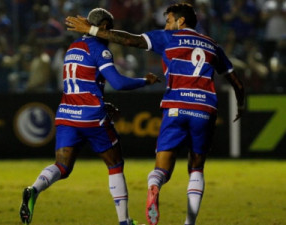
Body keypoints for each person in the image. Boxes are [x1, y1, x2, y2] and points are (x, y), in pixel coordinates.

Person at [65, 3, 245, 225]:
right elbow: (235, 81)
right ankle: (189, 223)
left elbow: (130, 40)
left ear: (180, 21)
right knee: (196, 167)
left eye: (169, 20)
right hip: (205, 108)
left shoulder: (169, 38)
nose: (166, 24)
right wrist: (241, 102)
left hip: (176, 106)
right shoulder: (212, 45)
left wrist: (92, 31)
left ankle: (154, 185)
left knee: (161, 168)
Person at [19, 8, 159, 225]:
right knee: (115, 165)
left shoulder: (72, 48)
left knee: (62, 166)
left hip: (66, 113)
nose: (111, 35)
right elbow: (119, 83)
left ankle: (34, 189)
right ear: (103, 27)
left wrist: (103, 101)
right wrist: (145, 81)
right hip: (91, 117)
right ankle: (125, 221)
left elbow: (83, 84)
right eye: (110, 30)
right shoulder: (99, 49)